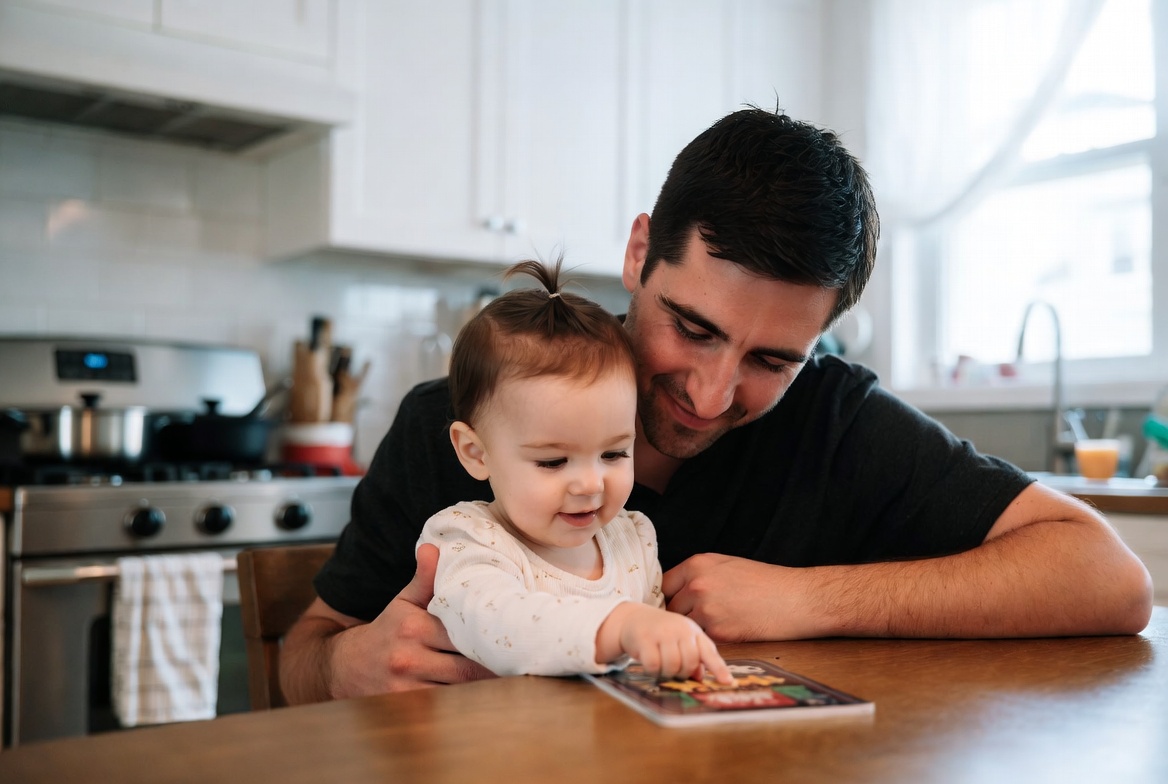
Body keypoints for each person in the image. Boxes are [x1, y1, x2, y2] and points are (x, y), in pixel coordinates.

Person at [281, 107, 1153, 704]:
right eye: (691, 327)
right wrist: (342, 665)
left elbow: (1112, 581)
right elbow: (301, 653)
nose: (709, 394)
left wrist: (810, 601)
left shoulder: (834, 422)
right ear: (637, 254)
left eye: (772, 358)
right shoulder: (458, 421)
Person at [415, 259, 731, 684]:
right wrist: (620, 627)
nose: (590, 484)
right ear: (475, 452)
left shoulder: (632, 540)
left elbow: (645, 661)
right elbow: (503, 627)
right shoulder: (469, 539)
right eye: (553, 461)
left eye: (615, 453)